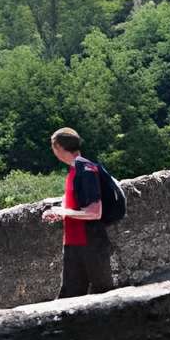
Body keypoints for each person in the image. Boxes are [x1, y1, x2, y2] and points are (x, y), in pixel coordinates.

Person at [43, 127, 116, 297]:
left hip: (91, 242)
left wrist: (63, 211)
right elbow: (75, 204)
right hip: (74, 242)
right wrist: (61, 211)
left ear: (59, 148)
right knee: (70, 297)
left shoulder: (86, 170)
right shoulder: (75, 170)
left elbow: (94, 212)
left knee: (103, 295)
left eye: (53, 147)